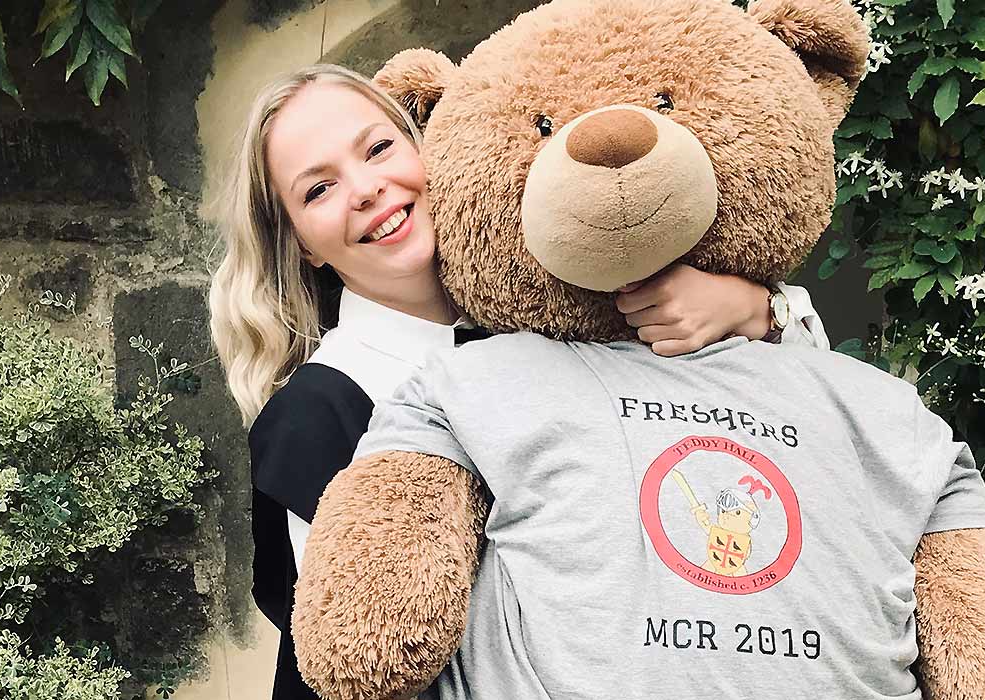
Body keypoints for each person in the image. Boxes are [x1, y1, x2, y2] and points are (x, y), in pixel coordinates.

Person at [207, 64, 829, 699]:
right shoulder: (317, 411)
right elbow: (355, 666)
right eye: (318, 190)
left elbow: (805, 419)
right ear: (302, 244)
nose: (366, 188)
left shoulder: (565, 313)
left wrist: (751, 310)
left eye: (378, 148)